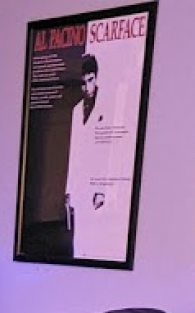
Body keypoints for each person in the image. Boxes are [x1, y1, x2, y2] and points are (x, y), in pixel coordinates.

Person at [64, 54, 129, 260]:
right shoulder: (76, 110)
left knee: (97, 235)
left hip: (98, 183)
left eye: (90, 80)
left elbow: (111, 149)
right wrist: (69, 189)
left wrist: (102, 189)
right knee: (79, 235)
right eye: (82, 83)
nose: (87, 87)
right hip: (80, 182)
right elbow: (73, 150)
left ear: (96, 77)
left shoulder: (108, 106)